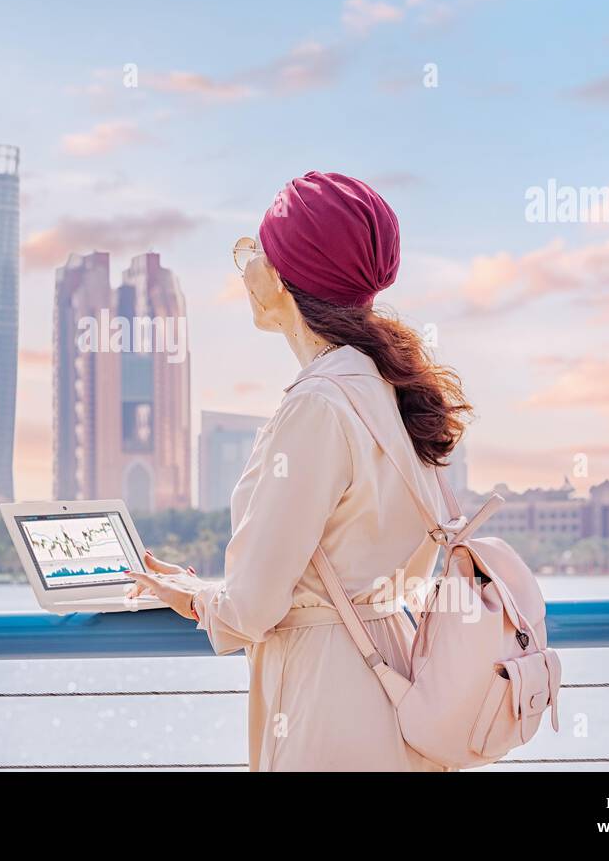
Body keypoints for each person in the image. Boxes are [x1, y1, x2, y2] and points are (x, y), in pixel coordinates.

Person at [126, 172, 472, 771]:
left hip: (329, 697)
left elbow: (252, 609)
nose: (246, 268)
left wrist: (189, 595)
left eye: (255, 251)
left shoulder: (318, 403)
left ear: (286, 279)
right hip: (397, 676)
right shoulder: (386, 385)